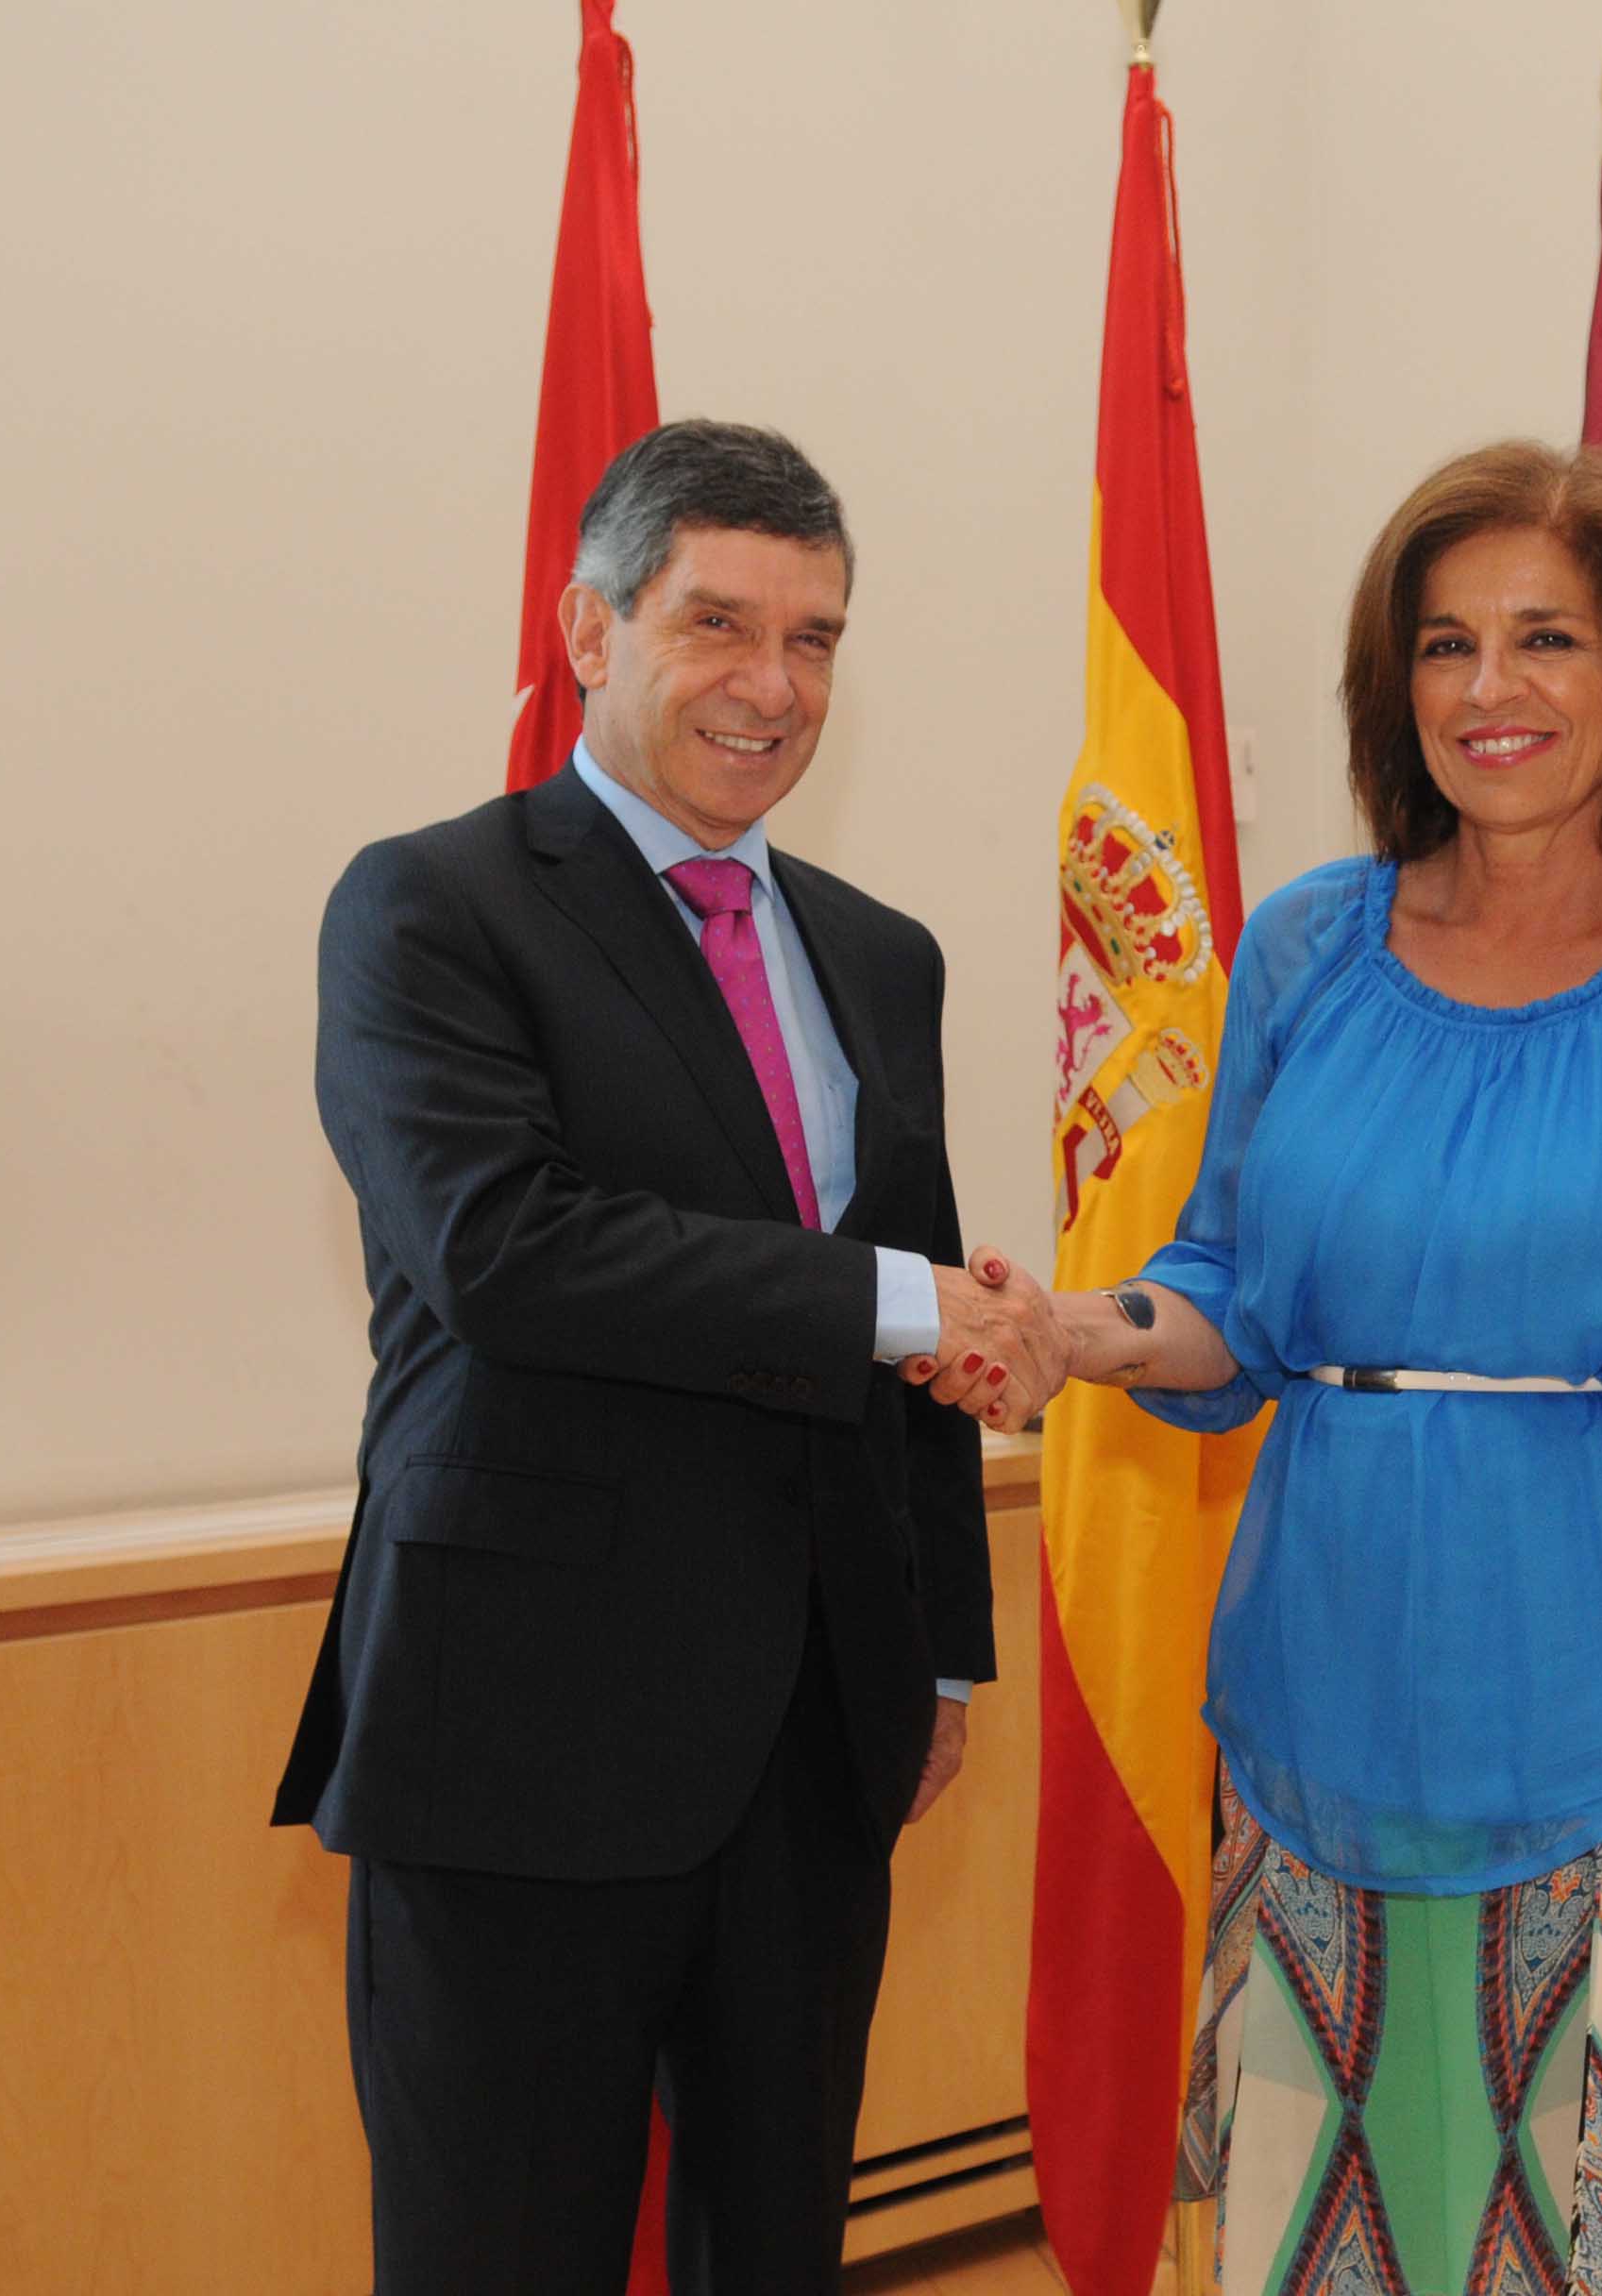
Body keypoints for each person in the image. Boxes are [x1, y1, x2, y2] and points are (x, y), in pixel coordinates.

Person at [928, 440, 1602, 2288]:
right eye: (1445, 644)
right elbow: (1228, 1297)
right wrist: (1069, 1330)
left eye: (1546, 638)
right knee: (1337, 2249)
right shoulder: (1310, 947)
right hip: (1317, 1724)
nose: (1489, 688)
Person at [275, 419, 1072, 2296]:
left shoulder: (881, 954)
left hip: (815, 1739)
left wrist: (937, 1649)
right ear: (590, 629)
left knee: (776, 2252)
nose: (771, 685)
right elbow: (509, 1249)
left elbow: (921, 1323)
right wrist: (901, 1303)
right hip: (520, 1737)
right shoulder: (431, 905)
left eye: (814, 639)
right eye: (719, 623)